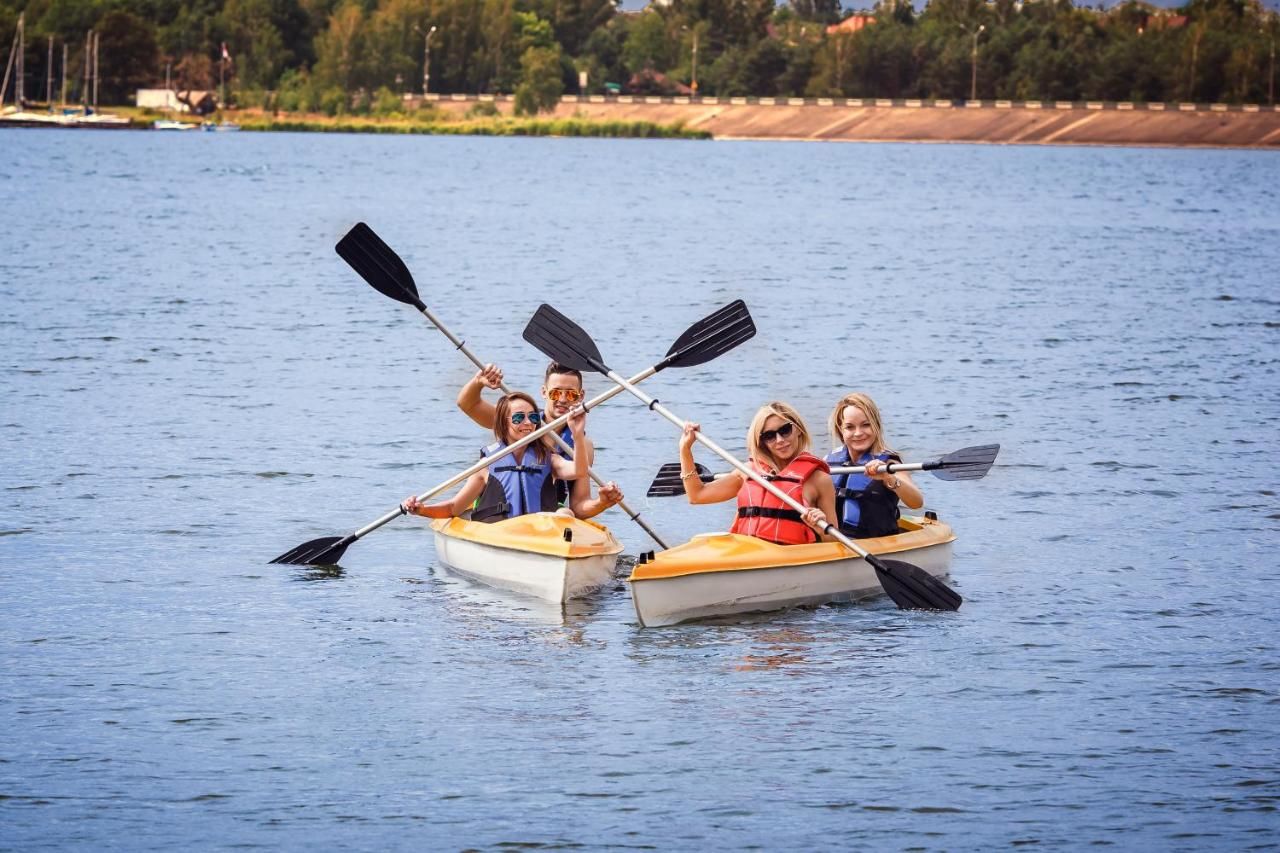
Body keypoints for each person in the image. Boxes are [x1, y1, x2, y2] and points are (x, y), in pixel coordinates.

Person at [456, 361, 622, 518]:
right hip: (498, 509)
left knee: (565, 513)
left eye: (571, 394)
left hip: (546, 517)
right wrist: (478, 382)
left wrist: (602, 502)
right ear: (544, 392)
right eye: (556, 393)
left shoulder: (582, 445)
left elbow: (579, 505)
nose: (563, 400)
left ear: (581, 396)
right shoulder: (518, 422)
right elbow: (467, 404)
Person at [404, 391, 587, 521]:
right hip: (502, 534)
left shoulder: (548, 458)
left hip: (540, 535)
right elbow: (454, 507)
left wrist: (577, 434)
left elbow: (579, 471)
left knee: (565, 514)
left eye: (532, 418)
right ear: (503, 422)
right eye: (518, 418)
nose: (527, 423)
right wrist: (421, 509)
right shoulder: (486, 465)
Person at [677, 402, 837, 545]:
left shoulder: (819, 480)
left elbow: (835, 542)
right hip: (746, 554)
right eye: (769, 436)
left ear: (798, 430)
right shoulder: (747, 472)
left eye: (785, 430)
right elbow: (697, 495)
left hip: (788, 559)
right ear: (761, 442)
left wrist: (821, 527)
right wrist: (685, 449)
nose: (780, 440)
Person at [824, 392, 923, 538]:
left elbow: (916, 502)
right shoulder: (829, 461)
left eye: (865, 425)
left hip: (878, 543)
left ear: (876, 425)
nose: (858, 433)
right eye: (850, 427)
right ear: (841, 429)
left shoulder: (890, 463)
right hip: (837, 542)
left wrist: (887, 477)